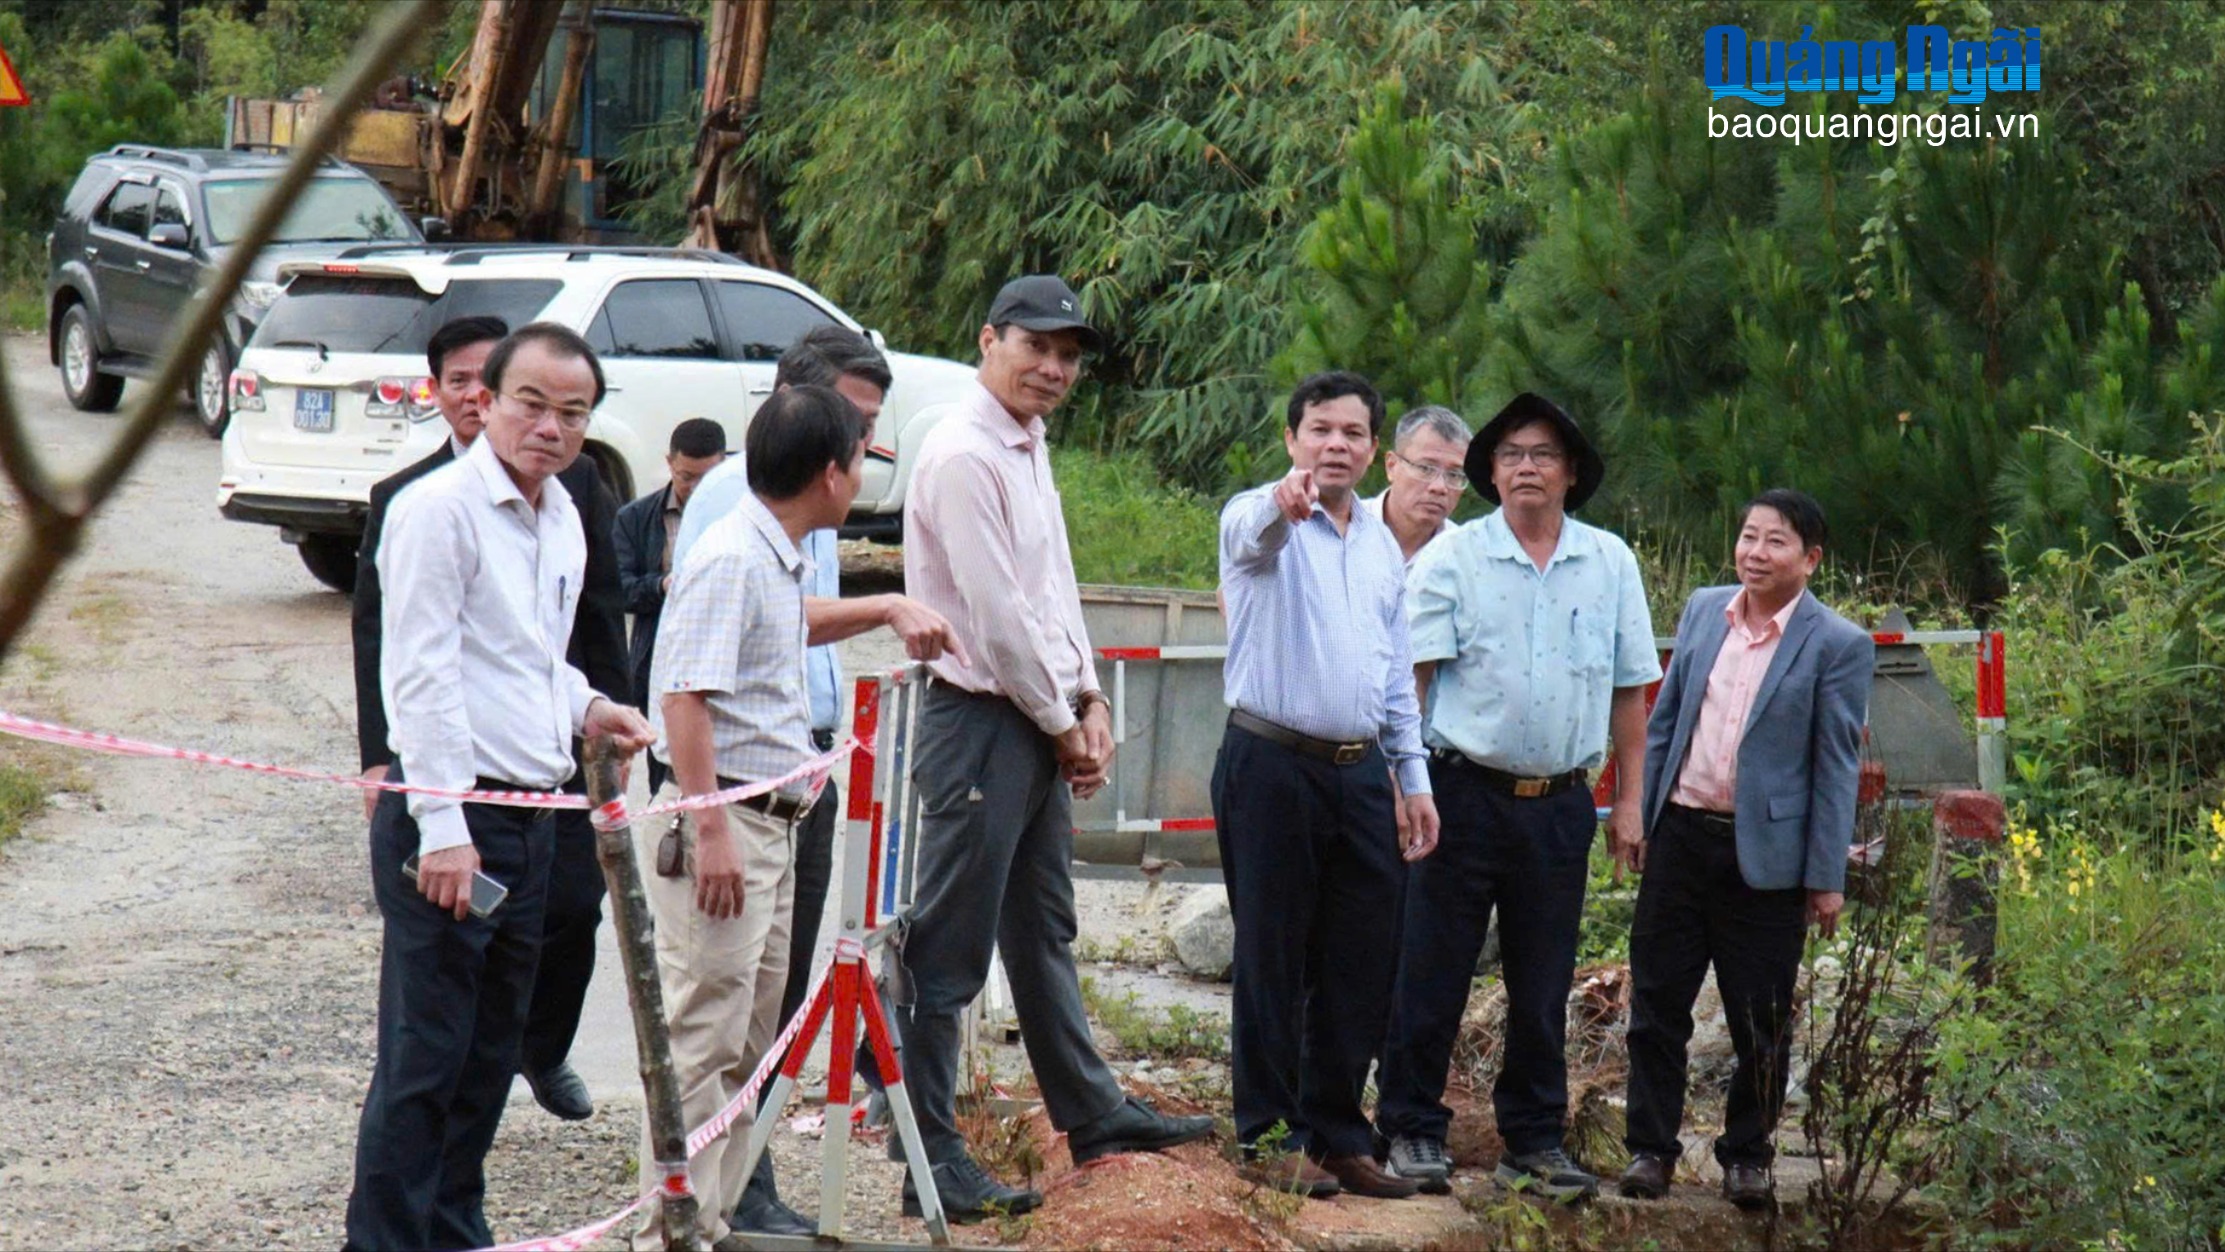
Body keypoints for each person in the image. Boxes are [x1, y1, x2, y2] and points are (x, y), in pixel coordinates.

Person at [896, 274, 1214, 1221]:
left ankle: (1092, 1112)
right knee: (947, 950)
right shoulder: (963, 453)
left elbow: (1052, 588)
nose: (1052, 368)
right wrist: (1062, 721)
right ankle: (930, 1160)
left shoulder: (1026, 445)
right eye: (1035, 346)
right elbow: (995, 617)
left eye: (1068, 355)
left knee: (1041, 929)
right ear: (988, 340)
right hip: (979, 722)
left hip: (1031, 720)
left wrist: (1089, 695)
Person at [344, 323, 655, 1252]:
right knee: (425, 1058)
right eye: (532, 404)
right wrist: (441, 823)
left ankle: (453, 1229)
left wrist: (592, 706)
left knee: (488, 1056)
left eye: (573, 413)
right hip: (453, 817)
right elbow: (420, 672)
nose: (549, 428)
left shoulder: (562, 513)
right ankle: (384, 1240)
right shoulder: (436, 510)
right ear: (485, 402)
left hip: (531, 814)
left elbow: (530, 659)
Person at [635, 385, 961, 1250]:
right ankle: (666, 1228)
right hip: (729, 819)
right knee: (702, 1036)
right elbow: (684, 698)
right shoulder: (732, 557)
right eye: (858, 459)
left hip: (770, 821)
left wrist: (885, 607)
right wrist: (710, 828)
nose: (860, 478)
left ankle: (708, 1218)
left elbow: (786, 625)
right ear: (828, 474)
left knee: (748, 1040)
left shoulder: (769, 553)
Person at [1375, 393, 1660, 1202]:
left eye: (1542, 455)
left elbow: (1630, 692)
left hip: (1560, 804)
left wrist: (1629, 802)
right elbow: (1411, 682)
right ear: (1490, 474)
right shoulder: (1454, 557)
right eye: (1509, 455)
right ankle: (1410, 1127)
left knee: (1542, 982)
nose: (1525, 467)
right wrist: (1404, 787)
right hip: (1458, 793)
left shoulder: (1608, 561)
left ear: (1571, 473)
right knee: (1431, 970)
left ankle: (1533, 1140)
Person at [1213, 370, 1443, 1201]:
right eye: (1319, 429)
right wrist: (1283, 502)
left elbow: (1392, 674)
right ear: (1291, 439)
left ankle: (1338, 1133)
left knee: (1360, 960)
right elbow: (1252, 535)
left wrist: (1411, 777)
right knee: (1272, 954)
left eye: (1351, 433)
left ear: (1374, 450)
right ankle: (1269, 1137)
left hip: (1359, 773)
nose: (1334, 445)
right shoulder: (1259, 516)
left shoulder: (1381, 546)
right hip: (1270, 764)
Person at [1616, 489, 1873, 1210]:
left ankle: (1747, 1156)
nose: (1755, 553)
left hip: (1765, 858)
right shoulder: (1705, 610)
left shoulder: (1837, 642)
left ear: (1810, 559)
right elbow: (1666, 720)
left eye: (1775, 541)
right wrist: (1640, 813)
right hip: (1680, 837)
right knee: (1656, 1006)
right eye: (1748, 537)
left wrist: (1825, 876)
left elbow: (1835, 766)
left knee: (1760, 1020)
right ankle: (1649, 1149)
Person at [613, 417, 729, 796]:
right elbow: (619, 589)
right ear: (669, 463)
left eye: (707, 479)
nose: (695, 489)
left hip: (721, 655)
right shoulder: (635, 518)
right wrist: (662, 585)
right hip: (659, 660)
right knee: (664, 771)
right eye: (686, 477)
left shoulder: (738, 517)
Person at [1362, 404, 1472, 567]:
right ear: (1392, 466)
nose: (1439, 487)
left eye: (1454, 475)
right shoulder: (1344, 528)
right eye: (1425, 468)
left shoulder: (1467, 557)